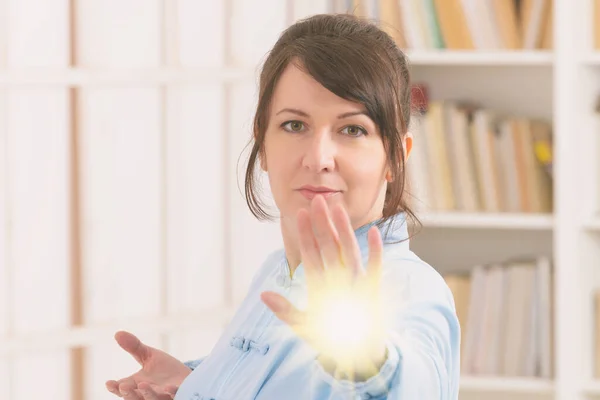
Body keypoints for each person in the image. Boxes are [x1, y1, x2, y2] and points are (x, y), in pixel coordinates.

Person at [105, 13, 460, 400]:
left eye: (352, 129)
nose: (318, 157)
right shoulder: (277, 271)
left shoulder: (412, 291)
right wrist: (196, 382)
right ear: (263, 144)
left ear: (396, 157)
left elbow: (410, 381)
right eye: (294, 125)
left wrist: (370, 364)